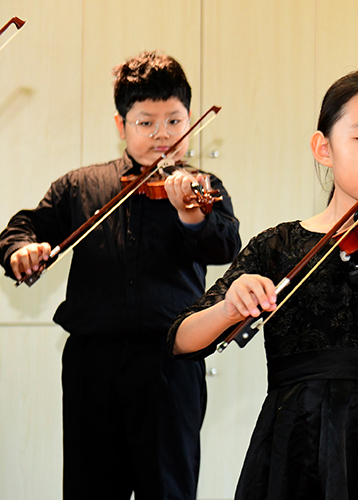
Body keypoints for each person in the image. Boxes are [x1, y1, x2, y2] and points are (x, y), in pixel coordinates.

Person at [169, 70, 358, 500]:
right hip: (297, 439)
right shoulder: (278, 245)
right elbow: (181, 340)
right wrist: (228, 307)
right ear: (323, 148)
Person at [0, 51, 241, 499]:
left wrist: (191, 215)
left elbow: (226, 246)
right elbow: (23, 228)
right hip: (93, 366)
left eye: (174, 121)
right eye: (146, 122)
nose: (162, 134)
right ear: (121, 125)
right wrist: (22, 250)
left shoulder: (201, 188)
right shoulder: (79, 186)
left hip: (169, 364)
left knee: (168, 489)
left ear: (190, 121)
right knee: (90, 488)